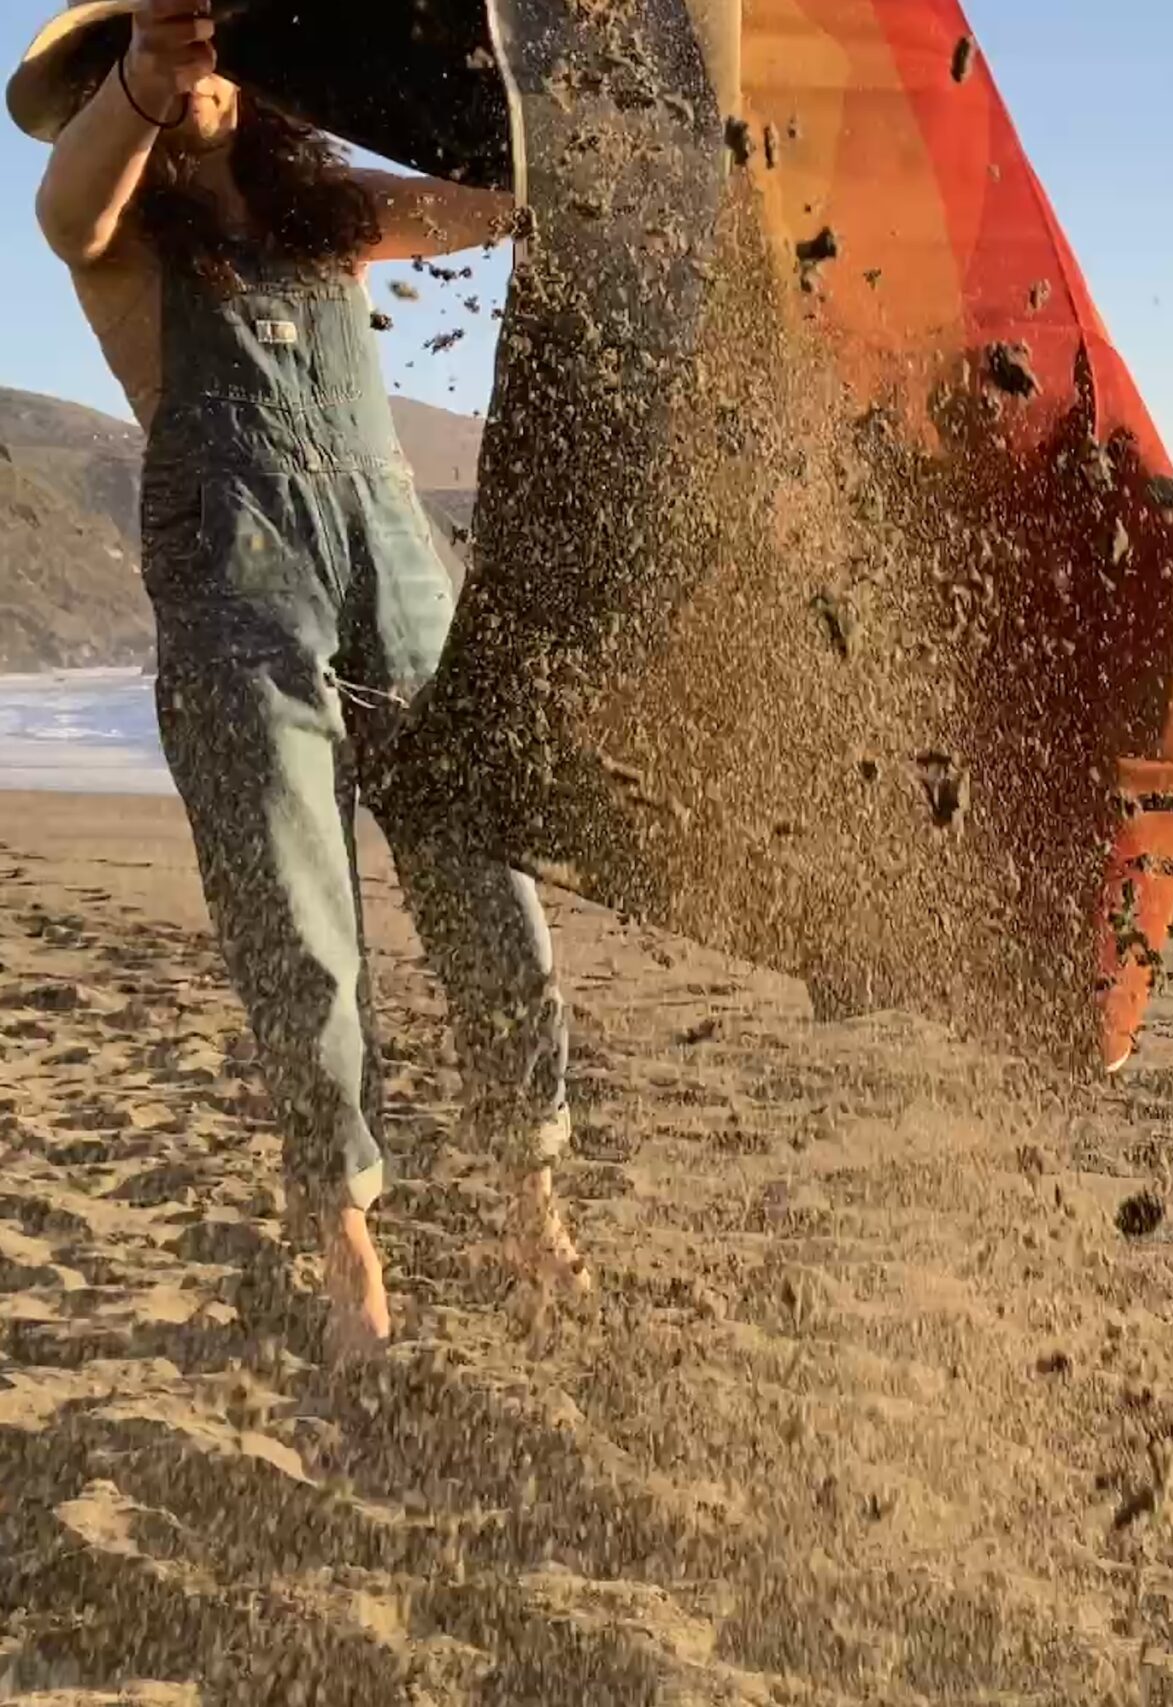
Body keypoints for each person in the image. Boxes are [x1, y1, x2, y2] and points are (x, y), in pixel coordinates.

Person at [11, 0, 589, 1358]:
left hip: (400, 571)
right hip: (236, 595)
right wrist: (147, 80)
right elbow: (60, 201)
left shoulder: (323, 211)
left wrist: (583, 133)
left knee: (494, 895)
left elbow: (492, 207)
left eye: (208, 33)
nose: (195, 56)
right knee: (299, 932)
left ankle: (538, 1212)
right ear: (114, 75)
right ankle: (348, 1257)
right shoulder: (116, 238)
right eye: (145, 48)